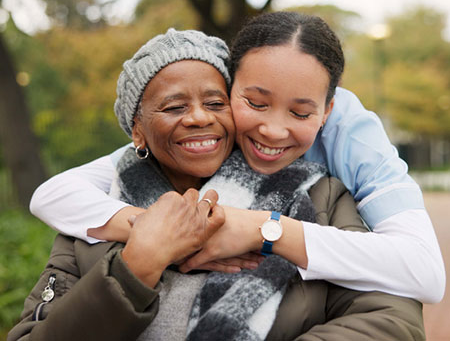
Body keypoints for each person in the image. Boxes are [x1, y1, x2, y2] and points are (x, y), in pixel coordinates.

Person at [9, 24, 424, 341]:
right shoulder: (96, 213)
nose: (199, 117)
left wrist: (263, 230)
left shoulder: (318, 194)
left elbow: (391, 318)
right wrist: (136, 266)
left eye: (215, 102)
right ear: (136, 130)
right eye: (174, 106)